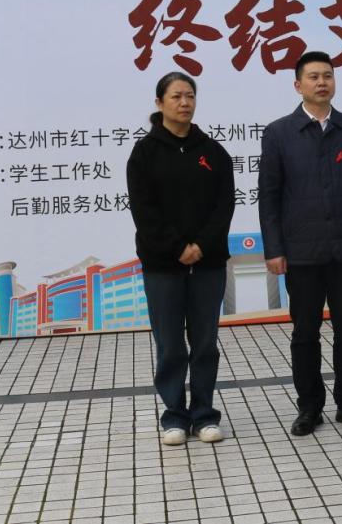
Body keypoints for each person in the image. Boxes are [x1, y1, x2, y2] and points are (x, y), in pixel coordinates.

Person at [258, 51, 342, 436]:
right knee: (304, 333)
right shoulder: (279, 133)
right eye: (313, 76)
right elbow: (269, 196)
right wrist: (274, 249)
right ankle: (309, 407)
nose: (322, 82)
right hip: (301, 252)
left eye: (327, 75)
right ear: (298, 85)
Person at [126, 72, 236, 446]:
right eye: (176, 96)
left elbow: (224, 205)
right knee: (170, 344)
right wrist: (178, 248)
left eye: (190, 95)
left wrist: (201, 245)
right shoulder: (144, 153)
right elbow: (144, 211)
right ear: (159, 103)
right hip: (163, 265)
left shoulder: (213, 152)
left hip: (208, 262)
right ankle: (174, 415)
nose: (184, 103)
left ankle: (204, 414)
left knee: (205, 343)